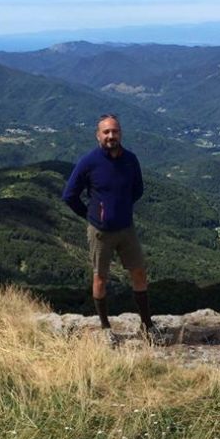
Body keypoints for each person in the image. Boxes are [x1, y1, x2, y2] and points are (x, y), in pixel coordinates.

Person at [62, 114, 163, 345]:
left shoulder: (130, 160)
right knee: (100, 278)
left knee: (139, 273)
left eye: (114, 131)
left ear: (120, 134)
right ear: (98, 135)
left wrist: (122, 208)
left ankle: (147, 325)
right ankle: (106, 327)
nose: (111, 136)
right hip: (100, 232)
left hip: (127, 229)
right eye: (106, 132)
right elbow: (69, 195)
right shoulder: (89, 162)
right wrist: (90, 215)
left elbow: (138, 190)